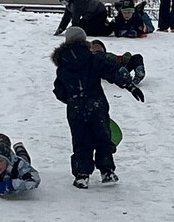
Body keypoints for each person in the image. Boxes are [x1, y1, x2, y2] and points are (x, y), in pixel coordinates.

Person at [52, 27, 145, 188]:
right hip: (97, 105)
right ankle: (107, 171)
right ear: (83, 40)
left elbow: (59, 90)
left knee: (80, 140)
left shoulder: (63, 65)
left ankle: (82, 175)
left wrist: (72, 99)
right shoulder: (93, 58)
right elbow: (112, 71)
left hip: (75, 109)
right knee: (103, 138)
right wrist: (130, 86)